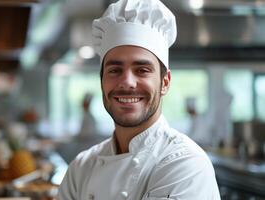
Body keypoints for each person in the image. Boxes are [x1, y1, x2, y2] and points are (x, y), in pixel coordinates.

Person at [57, 0, 221, 199]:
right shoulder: (81, 168)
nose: (127, 82)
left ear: (165, 82)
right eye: (114, 70)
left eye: (142, 70)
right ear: (101, 81)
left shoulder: (184, 164)